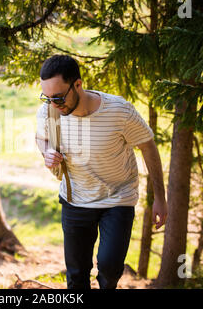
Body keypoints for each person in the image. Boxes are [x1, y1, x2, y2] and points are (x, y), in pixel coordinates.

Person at [35, 55, 168, 289]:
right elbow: (41, 137)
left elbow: (147, 145)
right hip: (75, 198)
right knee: (76, 275)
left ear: (78, 84)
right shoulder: (49, 112)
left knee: (109, 266)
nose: (53, 104)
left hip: (118, 199)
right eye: (47, 98)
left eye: (58, 97)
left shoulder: (119, 110)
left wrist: (160, 198)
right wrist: (46, 152)